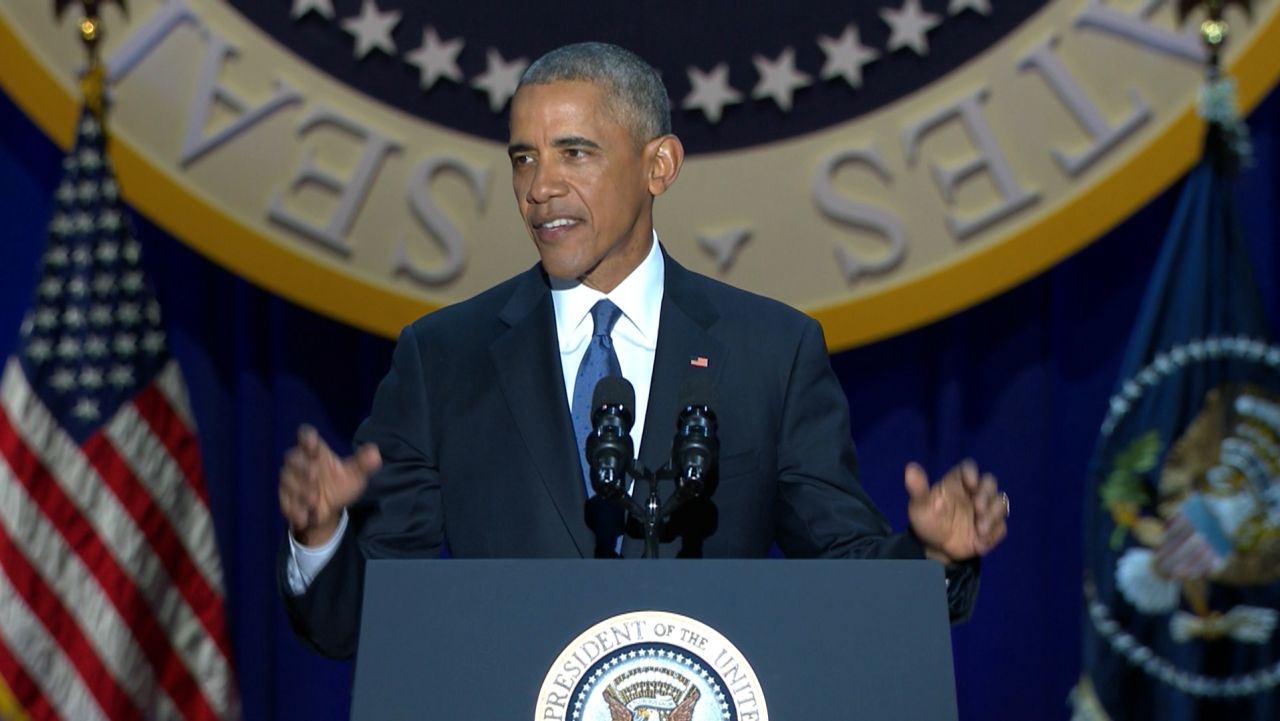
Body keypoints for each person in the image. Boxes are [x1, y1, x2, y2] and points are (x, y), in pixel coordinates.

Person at [277, 42, 1009, 659]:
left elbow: (849, 583)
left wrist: (934, 553)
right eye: (524, 158)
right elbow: (357, 623)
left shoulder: (769, 352)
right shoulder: (444, 358)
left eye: (575, 152)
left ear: (659, 166)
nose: (540, 187)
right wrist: (321, 534)